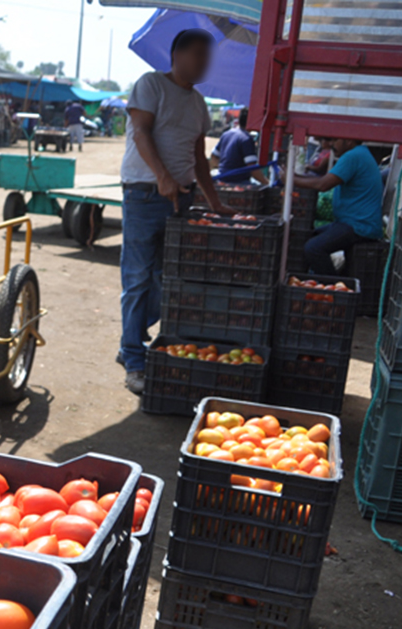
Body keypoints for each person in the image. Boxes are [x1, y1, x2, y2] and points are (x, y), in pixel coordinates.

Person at [117, 28, 234, 395]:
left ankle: (131, 340)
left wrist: (214, 202)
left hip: (181, 199)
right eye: (198, 54)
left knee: (165, 279)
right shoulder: (150, 84)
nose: (204, 63)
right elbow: (140, 132)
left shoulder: (199, 104)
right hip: (144, 195)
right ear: (177, 55)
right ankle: (134, 360)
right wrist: (163, 177)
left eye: (207, 56)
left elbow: (199, 157)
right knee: (137, 279)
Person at [292, 139, 383, 275]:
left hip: (359, 225)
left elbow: (323, 185)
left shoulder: (352, 156)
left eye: (335, 140)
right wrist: (294, 177)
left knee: (313, 248)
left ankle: (333, 287)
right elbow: (324, 179)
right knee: (308, 236)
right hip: (350, 222)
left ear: (348, 141)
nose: (330, 145)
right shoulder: (359, 153)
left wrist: (292, 180)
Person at [210, 108, 266, 184]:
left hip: (221, 179)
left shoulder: (226, 134)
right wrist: (268, 183)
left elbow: (213, 157)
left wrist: (225, 169)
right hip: (238, 182)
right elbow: (252, 169)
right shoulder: (246, 139)